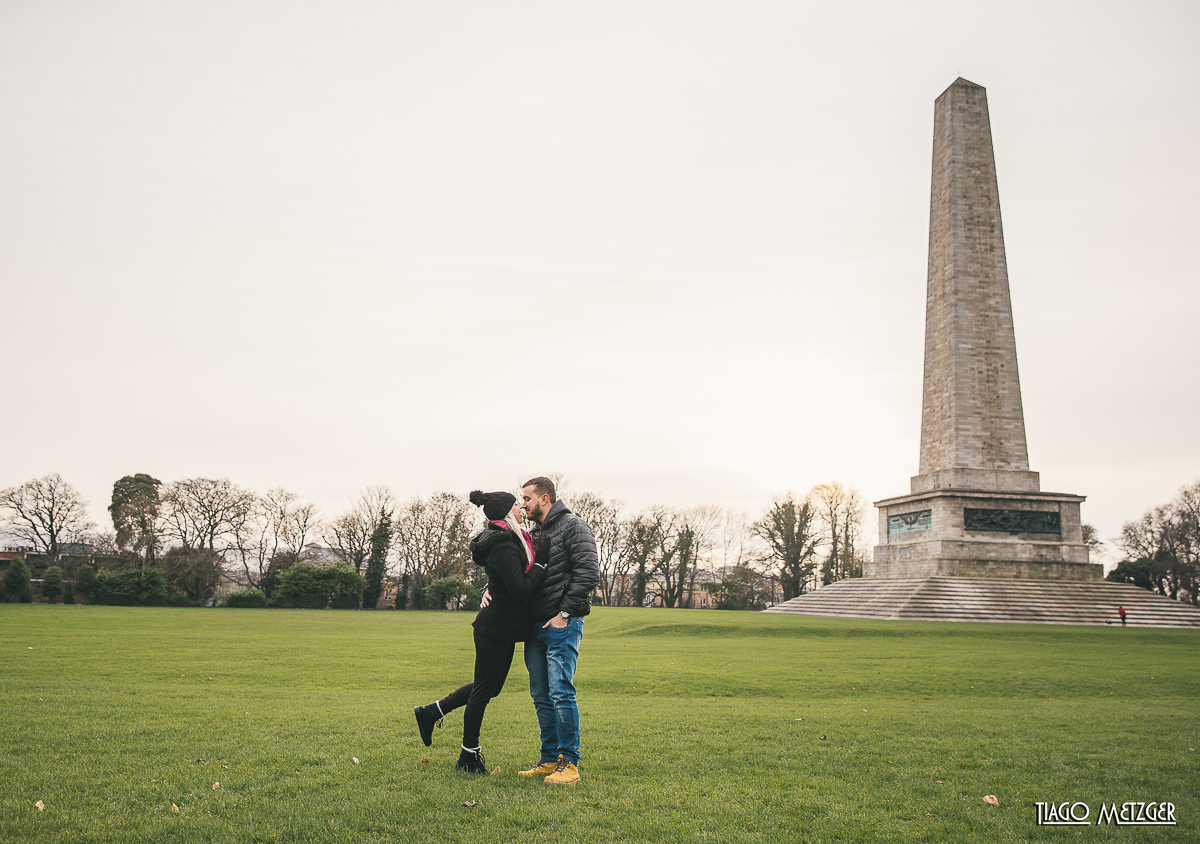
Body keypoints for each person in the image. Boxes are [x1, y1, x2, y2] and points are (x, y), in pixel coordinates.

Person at [413, 490, 547, 774]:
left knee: (489, 688)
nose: (521, 508)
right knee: (483, 691)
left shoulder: (509, 539)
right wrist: (541, 566)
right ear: (506, 513)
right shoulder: (503, 545)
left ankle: (431, 712)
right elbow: (519, 589)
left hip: (503, 628)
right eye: (516, 505)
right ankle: (468, 757)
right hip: (494, 629)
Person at [516, 476, 599, 785]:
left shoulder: (575, 527)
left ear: (545, 498)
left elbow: (588, 573)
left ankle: (569, 763)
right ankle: (549, 759)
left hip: (563, 624)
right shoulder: (535, 533)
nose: (523, 504)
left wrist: (564, 614)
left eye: (527, 498)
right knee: (541, 695)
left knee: (561, 692)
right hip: (535, 626)